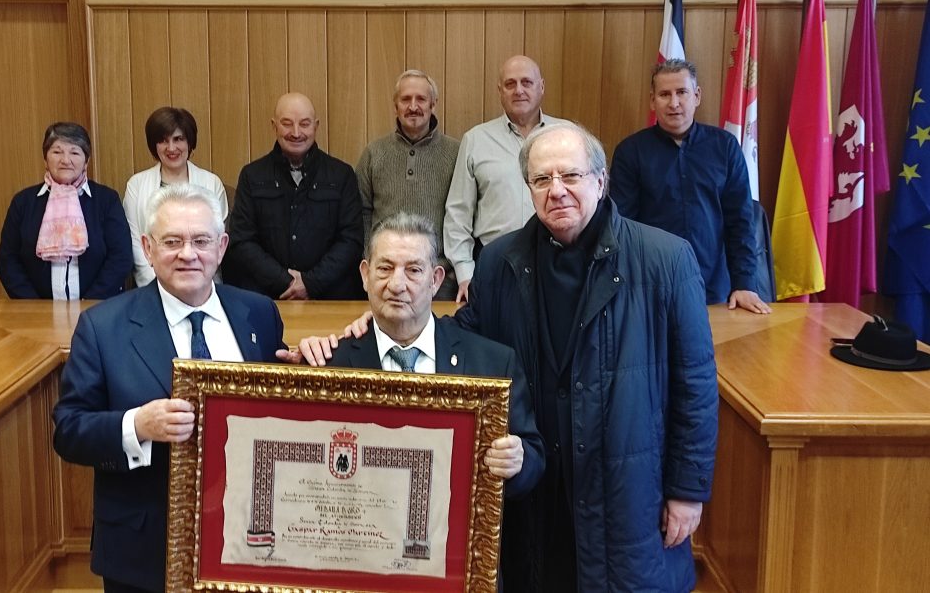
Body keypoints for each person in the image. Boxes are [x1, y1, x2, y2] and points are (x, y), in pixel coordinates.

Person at [303, 122, 718, 592]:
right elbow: (458, 336)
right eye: (542, 180)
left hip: (625, 484)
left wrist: (687, 490)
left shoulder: (666, 260)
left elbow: (696, 385)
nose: (556, 190)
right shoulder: (502, 261)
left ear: (601, 182)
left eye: (571, 176)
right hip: (536, 486)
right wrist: (377, 326)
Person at [53, 184, 286, 593]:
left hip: (249, 538)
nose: (188, 254)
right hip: (144, 548)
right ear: (147, 247)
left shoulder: (260, 313)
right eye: (172, 241)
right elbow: (69, 431)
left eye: (201, 241)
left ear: (222, 245)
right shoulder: (103, 327)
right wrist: (137, 426)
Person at [328, 212, 544, 502]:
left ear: (435, 279)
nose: (396, 284)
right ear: (365, 275)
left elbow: (534, 458)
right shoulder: (329, 364)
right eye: (385, 268)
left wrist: (518, 461)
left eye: (414, 270)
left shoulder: (492, 364)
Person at [610, 59, 771, 313]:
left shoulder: (725, 147)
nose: (674, 103)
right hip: (651, 286)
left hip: (715, 289)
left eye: (681, 92)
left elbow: (740, 221)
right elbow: (622, 226)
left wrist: (744, 284)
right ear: (653, 101)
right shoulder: (631, 152)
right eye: (665, 94)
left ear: (696, 96)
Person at [443, 55, 568, 303]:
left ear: (541, 87)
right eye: (510, 84)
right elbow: (458, 214)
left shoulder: (567, 136)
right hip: (495, 266)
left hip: (560, 263)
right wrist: (466, 274)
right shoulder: (476, 140)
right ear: (500, 91)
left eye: (527, 82)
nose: (519, 90)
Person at [224, 92, 364, 300]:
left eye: (304, 124)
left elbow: (351, 240)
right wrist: (286, 281)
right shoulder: (252, 175)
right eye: (287, 124)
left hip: (330, 297)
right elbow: (242, 240)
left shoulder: (342, 175)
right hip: (267, 296)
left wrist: (311, 282)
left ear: (316, 126)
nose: (296, 133)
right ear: (274, 126)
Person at [355, 70, 460, 299]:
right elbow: (361, 213)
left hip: (437, 281)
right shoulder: (374, 153)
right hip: (385, 280)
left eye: (421, 99)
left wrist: (453, 270)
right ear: (396, 105)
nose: (413, 106)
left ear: (433, 104)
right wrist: (373, 263)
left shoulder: (456, 153)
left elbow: (464, 215)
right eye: (406, 99)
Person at [0, 122, 131, 300]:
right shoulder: (23, 202)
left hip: (97, 311)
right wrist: (33, 306)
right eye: (57, 151)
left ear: (86, 161)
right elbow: (8, 261)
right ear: (45, 159)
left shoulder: (106, 200)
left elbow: (121, 257)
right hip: (35, 314)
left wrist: (90, 304)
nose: (65, 160)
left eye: (74, 152)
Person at [123, 107, 228, 287]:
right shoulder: (136, 185)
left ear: (190, 142)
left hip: (203, 283)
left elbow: (215, 240)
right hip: (151, 284)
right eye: (163, 141)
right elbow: (135, 241)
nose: (171, 148)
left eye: (178, 139)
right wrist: (156, 284)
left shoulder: (212, 183)